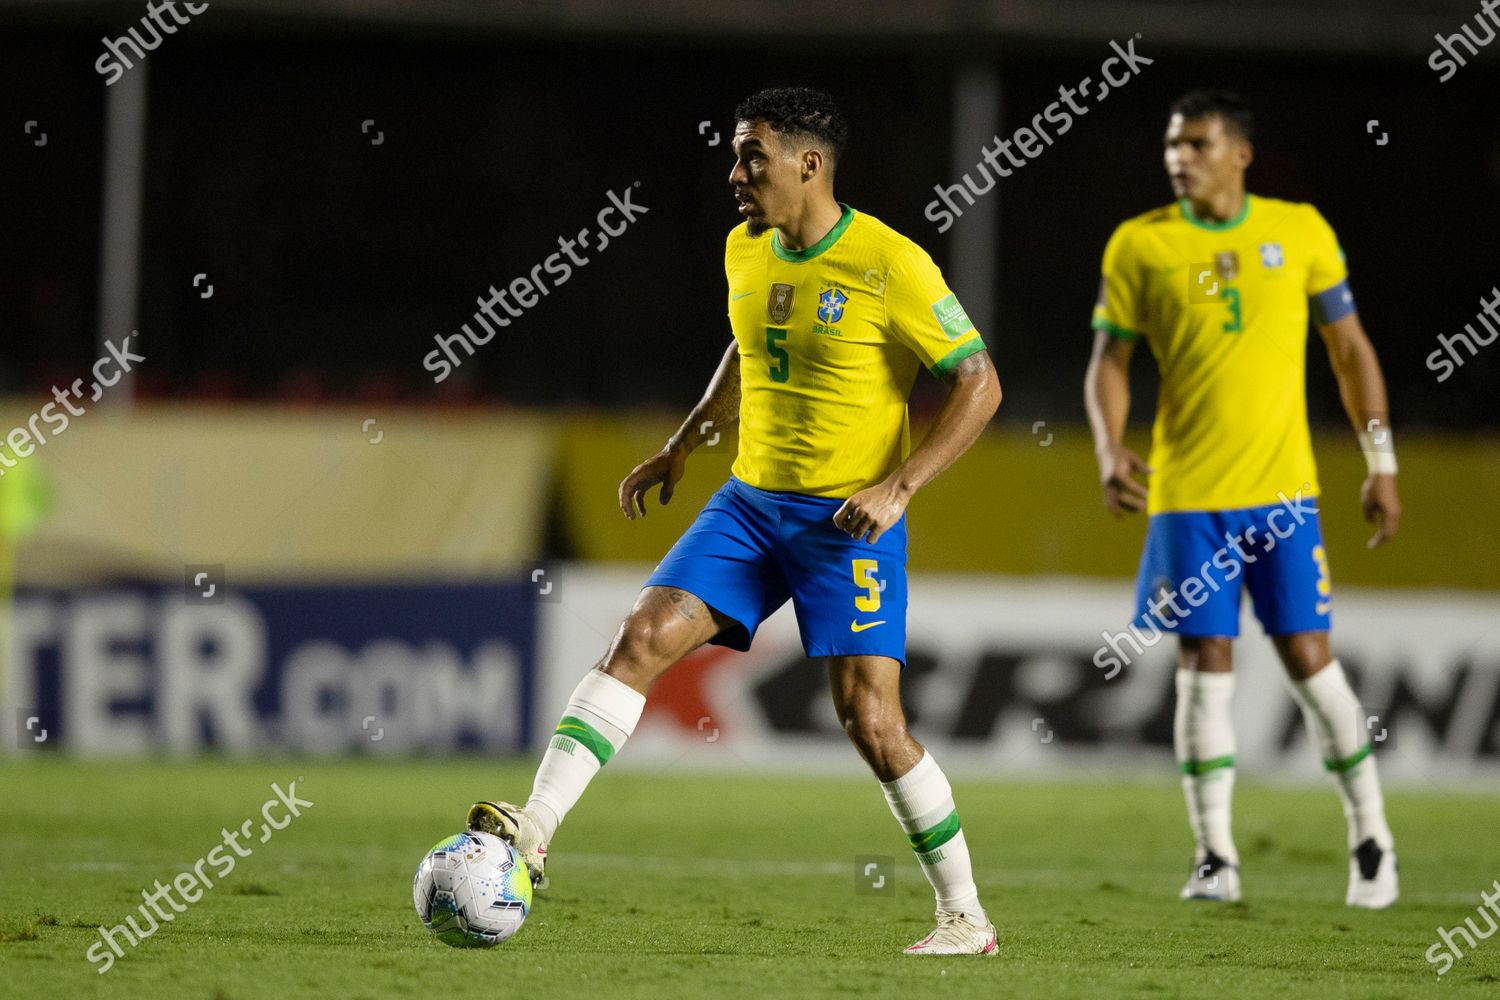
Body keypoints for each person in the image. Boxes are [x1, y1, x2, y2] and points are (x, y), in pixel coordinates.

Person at [469, 87, 1004, 954]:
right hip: (749, 506)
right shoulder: (743, 249)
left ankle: (964, 915)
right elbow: (747, 348)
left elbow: (980, 383)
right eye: (735, 154)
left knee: (872, 722)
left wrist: (900, 486)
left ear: (809, 163)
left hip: (846, 522)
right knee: (638, 640)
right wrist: (685, 443)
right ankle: (531, 837)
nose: (735, 173)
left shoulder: (891, 263)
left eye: (751, 156)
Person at [1084, 90, 1401, 908]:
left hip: (1286, 495)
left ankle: (1371, 838)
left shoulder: (1298, 231)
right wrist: (1109, 444)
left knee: (1310, 662)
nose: (1178, 156)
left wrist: (1381, 460)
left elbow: (1349, 348)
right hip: (1188, 497)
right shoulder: (1139, 244)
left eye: (1195, 142)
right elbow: (1110, 361)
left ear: (1240, 154)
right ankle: (1215, 856)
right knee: (1203, 667)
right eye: (1171, 144)